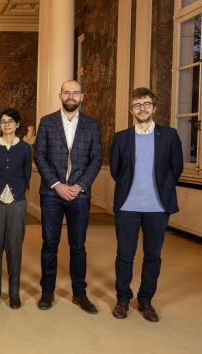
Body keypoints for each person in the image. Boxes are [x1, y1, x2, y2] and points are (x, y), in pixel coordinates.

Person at [109, 87, 183, 322]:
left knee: (153, 256)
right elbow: (116, 170)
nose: (142, 109)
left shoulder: (169, 135)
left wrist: (161, 187)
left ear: (154, 107)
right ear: (131, 109)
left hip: (158, 208)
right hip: (127, 206)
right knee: (125, 255)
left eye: (146, 104)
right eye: (137, 105)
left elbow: (176, 168)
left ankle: (145, 301)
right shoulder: (121, 138)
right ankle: (122, 300)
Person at [34, 80, 103, 314]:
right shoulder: (47, 122)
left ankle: (79, 294)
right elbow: (40, 156)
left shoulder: (92, 125)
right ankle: (47, 292)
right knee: (49, 244)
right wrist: (57, 185)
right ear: (60, 95)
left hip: (79, 195)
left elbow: (96, 158)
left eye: (75, 92)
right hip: (52, 194)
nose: (71, 95)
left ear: (82, 96)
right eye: (67, 92)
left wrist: (79, 185)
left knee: (78, 246)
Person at [0, 108, 31, 309]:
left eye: (11, 121)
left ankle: (14, 294)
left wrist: (17, 191)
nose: (7, 125)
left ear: (18, 124)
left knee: (15, 250)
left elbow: (27, 174)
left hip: (17, 203)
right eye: (3, 122)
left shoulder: (25, 148)